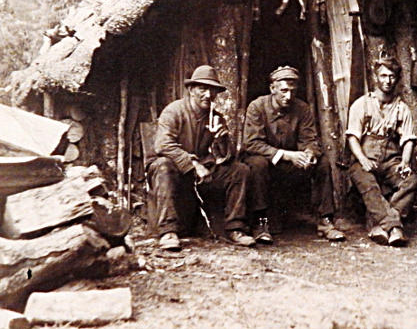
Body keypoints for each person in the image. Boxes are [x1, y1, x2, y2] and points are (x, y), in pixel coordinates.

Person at [148, 65, 256, 250]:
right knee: (163, 165)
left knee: (240, 170)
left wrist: (221, 139)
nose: (208, 94)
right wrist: (193, 164)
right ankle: (168, 231)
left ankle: (235, 228)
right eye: (202, 89)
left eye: (212, 90)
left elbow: (227, 158)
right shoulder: (174, 111)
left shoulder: (216, 118)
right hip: (173, 170)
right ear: (191, 90)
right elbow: (162, 145)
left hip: (201, 175)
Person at [243, 66, 345, 243]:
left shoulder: (302, 108)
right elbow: (251, 143)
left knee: (322, 163)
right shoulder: (257, 107)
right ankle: (261, 222)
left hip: (291, 165)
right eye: (283, 91)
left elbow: (310, 139)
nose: (288, 96)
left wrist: (309, 153)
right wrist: (287, 155)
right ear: (272, 88)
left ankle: (325, 220)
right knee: (257, 164)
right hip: (267, 162)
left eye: (292, 91)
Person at [345, 55, 417, 246]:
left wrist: (405, 162)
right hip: (364, 159)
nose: (387, 81)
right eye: (383, 76)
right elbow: (353, 137)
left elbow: (408, 139)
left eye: (392, 76)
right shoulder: (362, 104)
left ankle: (379, 225)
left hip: (391, 161)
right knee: (368, 183)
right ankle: (394, 227)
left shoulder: (402, 108)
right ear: (376, 77)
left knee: (410, 181)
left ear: (397, 79)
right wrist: (362, 159)